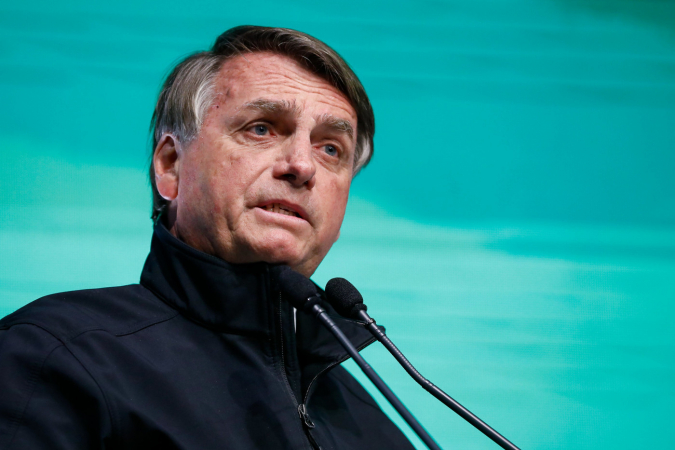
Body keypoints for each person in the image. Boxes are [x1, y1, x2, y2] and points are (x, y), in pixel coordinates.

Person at [0, 26, 415, 449]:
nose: (303, 166)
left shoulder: (376, 428)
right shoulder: (53, 358)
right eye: (261, 128)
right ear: (170, 164)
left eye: (330, 149)